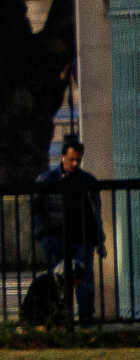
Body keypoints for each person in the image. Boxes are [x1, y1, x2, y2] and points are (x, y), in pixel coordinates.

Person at [33, 138, 107, 321]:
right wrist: (42, 232)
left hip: (81, 235)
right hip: (56, 234)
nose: (75, 163)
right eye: (72, 159)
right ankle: (61, 318)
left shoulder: (85, 180)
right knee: (59, 279)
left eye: (78, 160)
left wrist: (99, 238)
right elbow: (36, 209)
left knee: (83, 278)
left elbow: (95, 212)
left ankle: (84, 318)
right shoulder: (48, 179)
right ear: (63, 157)